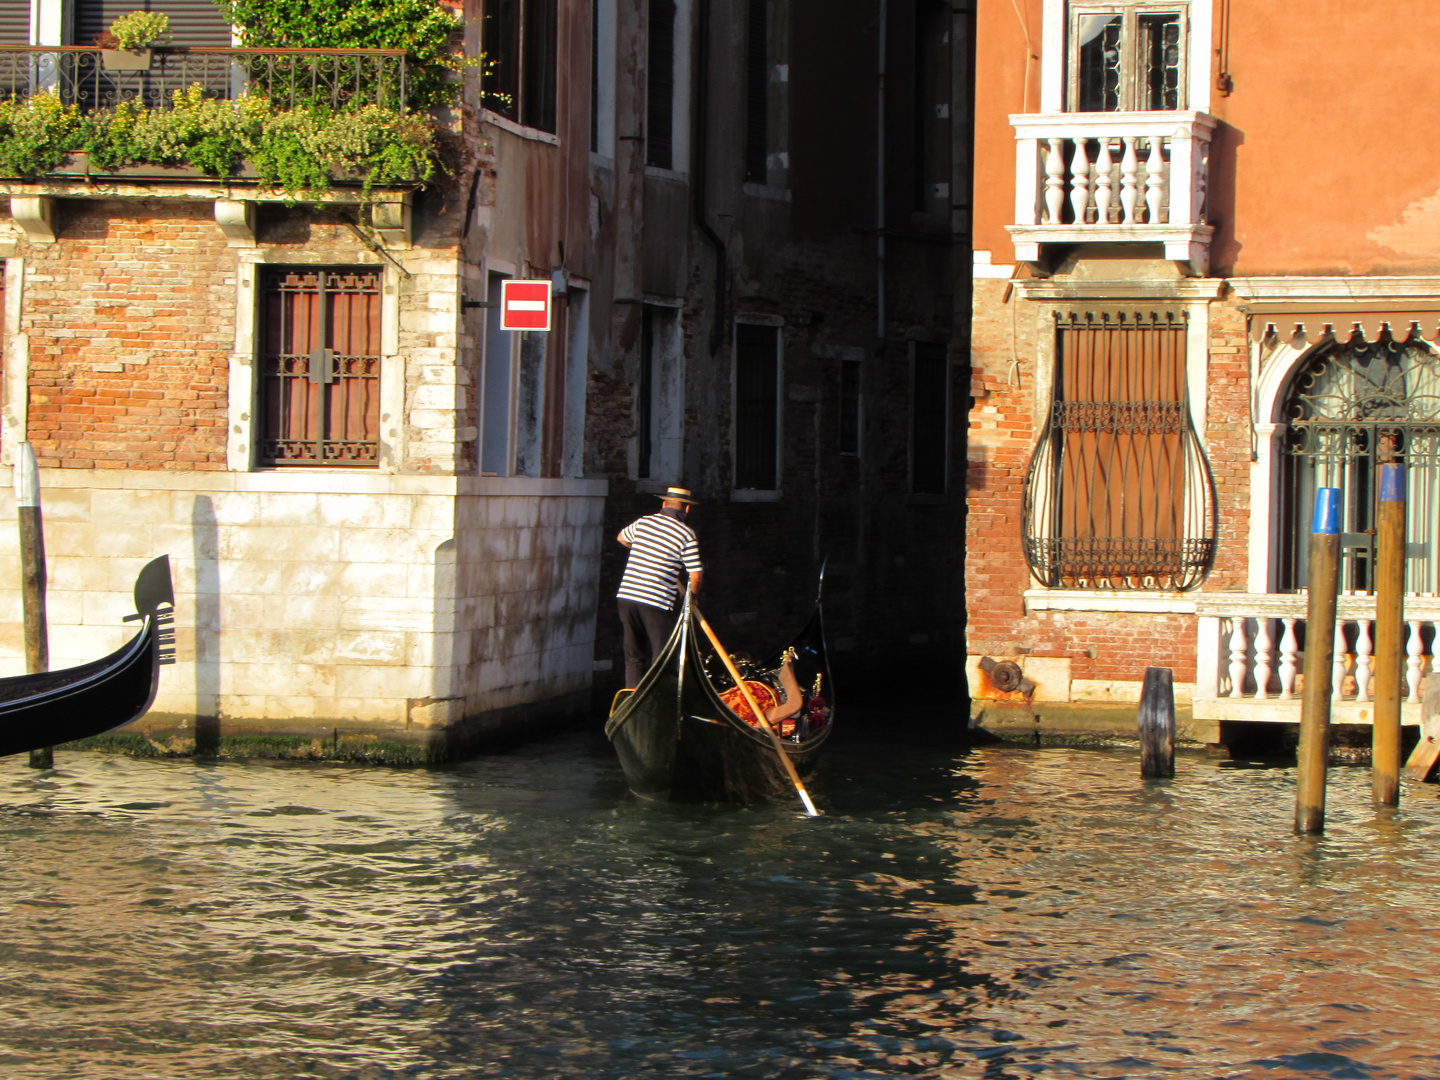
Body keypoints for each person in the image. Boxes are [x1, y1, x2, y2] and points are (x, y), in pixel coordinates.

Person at [616, 486, 703, 688]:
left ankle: (632, 698)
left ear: (664, 504)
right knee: (662, 655)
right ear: (687, 510)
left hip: (626, 597)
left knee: (633, 654)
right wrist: (693, 597)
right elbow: (695, 575)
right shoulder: (686, 534)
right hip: (655, 600)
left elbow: (622, 538)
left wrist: (643, 552)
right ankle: (655, 699)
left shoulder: (643, 522)